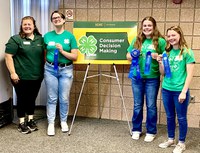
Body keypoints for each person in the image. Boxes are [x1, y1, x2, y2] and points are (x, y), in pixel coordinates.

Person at [126, 16, 166, 142]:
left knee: (151, 106)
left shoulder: (160, 41)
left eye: (149, 25)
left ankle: (151, 131)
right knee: (137, 105)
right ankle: (136, 129)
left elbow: (166, 57)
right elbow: (127, 55)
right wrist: (132, 56)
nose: (147, 28)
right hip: (137, 77)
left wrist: (158, 56)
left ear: (153, 27)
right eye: (145, 26)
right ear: (142, 27)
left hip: (152, 78)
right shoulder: (136, 40)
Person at [158, 26, 195, 153]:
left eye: (174, 35)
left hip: (180, 90)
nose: (171, 38)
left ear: (180, 35)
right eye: (169, 36)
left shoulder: (187, 52)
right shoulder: (166, 52)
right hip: (166, 89)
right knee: (169, 116)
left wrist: (184, 91)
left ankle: (181, 143)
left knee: (181, 117)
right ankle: (170, 139)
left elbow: (190, 74)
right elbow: (163, 73)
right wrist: (160, 62)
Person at [5, 16, 44, 134]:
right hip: (20, 77)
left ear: (34, 26)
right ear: (21, 26)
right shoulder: (15, 39)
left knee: (32, 99)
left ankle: (30, 120)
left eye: (29, 24)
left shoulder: (40, 40)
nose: (27, 26)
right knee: (22, 99)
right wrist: (13, 73)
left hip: (36, 76)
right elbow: (8, 56)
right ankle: (21, 122)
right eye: (24, 24)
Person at [44, 10, 78, 136]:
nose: (56, 19)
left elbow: (75, 56)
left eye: (58, 17)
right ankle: (51, 123)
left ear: (64, 20)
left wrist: (62, 51)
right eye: (54, 18)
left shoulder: (70, 36)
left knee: (63, 98)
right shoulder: (47, 36)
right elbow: (44, 53)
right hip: (50, 70)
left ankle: (63, 121)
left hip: (66, 70)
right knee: (52, 98)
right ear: (52, 21)